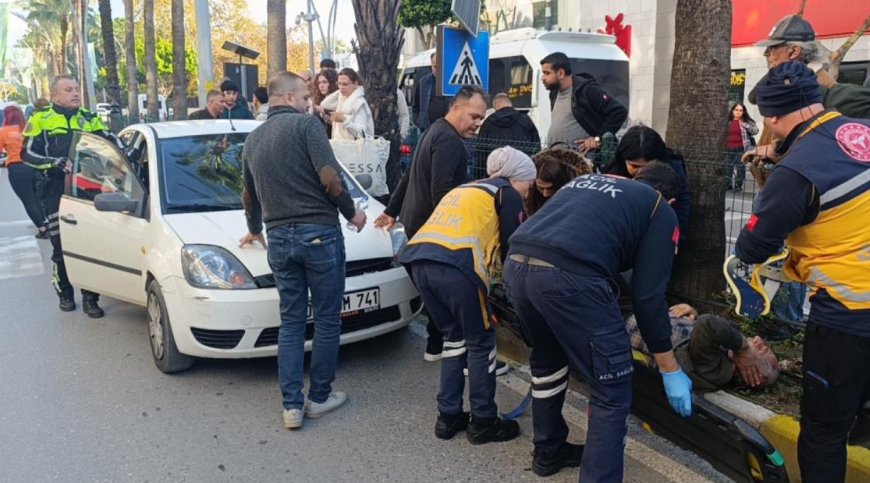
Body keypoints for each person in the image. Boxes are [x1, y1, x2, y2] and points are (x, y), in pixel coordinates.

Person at [504, 163, 693, 480]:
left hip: (517, 262)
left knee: (548, 362)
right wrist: (669, 367)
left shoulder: (590, 182)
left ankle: (548, 451)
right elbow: (648, 297)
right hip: (567, 276)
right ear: (672, 200)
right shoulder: (661, 210)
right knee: (611, 387)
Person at [734, 61, 870, 483]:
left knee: (824, 431)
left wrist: (776, 176)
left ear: (774, 117)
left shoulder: (795, 175)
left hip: (850, 315)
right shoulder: (859, 131)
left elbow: (752, 247)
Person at [239, 71, 366, 430]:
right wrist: (352, 212)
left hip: (278, 237)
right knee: (326, 319)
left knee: (291, 322)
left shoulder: (253, 140)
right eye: (306, 97)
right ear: (292, 98)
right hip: (319, 234)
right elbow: (329, 177)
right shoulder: (307, 127)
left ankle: (291, 407)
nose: (310, 103)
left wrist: (253, 229)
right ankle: (320, 398)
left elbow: (249, 196)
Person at [399, 146, 535, 444]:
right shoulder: (506, 194)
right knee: (481, 342)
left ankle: (447, 417)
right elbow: (514, 248)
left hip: (420, 261)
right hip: (457, 269)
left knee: (454, 339)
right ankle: (484, 420)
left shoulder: (466, 189)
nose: (528, 191)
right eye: (528, 183)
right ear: (517, 177)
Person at [374, 85, 488, 362]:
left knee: (436, 296)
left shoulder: (433, 131)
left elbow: (408, 175)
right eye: (474, 116)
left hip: (418, 225)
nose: (477, 124)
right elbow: (442, 194)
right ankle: (460, 357)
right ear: (456, 109)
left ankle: (435, 346)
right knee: (450, 297)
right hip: (436, 231)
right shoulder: (449, 141)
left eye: (481, 118)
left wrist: (391, 211)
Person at [23, 75, 125, 317]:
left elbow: (109, 140)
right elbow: (26, 154)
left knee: (88, 245)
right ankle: (65, 293)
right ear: (55, 96)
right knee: (60, 247)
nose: (76, 93)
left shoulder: (88, 118)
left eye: (77, 89)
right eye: (69, 90)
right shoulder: (40, 119)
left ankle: (91, 298)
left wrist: (122, 146)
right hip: (53, 189)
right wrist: (53, 162)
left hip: (86, 189)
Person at [626, 303, 779, 391]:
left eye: (761, 349)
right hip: (641, 307)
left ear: (756, 375)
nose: (758, 340)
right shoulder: (720, 357)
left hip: (624, 315)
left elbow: (707, 324)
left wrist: (743, 348)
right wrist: (692, 313)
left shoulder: (717, 371)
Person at [603, 125, 692, 242]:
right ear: (622, 160)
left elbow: (681, 213)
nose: (642, 173)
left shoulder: (673, 174)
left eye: (649, 167)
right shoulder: (612, 174)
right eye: (634, 166)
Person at [540, 52, 627, 150]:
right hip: (558, 157)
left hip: (583, 160)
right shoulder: (554, 92)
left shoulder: (587, 90)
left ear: (561, 73)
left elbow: (619, 112)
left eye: (547, 73)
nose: (542, 78)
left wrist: (598, 139)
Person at [2, 105, 47, 238]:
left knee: (28, 201)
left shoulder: (3, 132)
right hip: (33, 165)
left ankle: (42, 228)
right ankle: (46, 223)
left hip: (17, 169)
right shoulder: (28, 128)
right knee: (37, 198)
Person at [476, 93, 541, 168]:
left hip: (494, 171)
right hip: (521, 170)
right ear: (510, 104)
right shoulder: (525, 120)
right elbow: (536, 147)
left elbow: (480, 151)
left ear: (496, 105)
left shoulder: (488, 123)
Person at [526, 147, 592, 216]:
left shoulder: (579, 198)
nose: (545, 194)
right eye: (541, 188)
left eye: (550, 188)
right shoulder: (530, 194)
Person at [319, 68, 374, 140]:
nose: (341, 87)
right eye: (339, 84)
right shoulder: (342, 99)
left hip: (353, 149)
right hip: (340, 146)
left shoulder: (359, 103)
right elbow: (325, 104)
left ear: (355, 84)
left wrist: (344, 120)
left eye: (345, 84)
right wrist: (341, 91)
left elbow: (361, 133)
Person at [725, 102, 758, 192]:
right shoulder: (728, 122)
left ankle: (738, 185)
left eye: (741, 110)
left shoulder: (746, 122)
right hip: (729, 148)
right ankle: (727, 185)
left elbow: (755, 131)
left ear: (744, 112)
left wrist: (745, 125)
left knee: (740, 168)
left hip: (741, 148)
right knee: (728, 167)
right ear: (732, 111)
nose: (738, 112)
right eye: (736, 110)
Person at [413, 53, 450, 132]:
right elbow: (416, 106)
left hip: (446, 130)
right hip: (426, 130)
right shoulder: (423, 82)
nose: (438, 69)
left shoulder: (451, 84)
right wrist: (419, 122)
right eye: (435, 66)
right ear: (431, 66)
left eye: (441, 66)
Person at [313, 69, 339, 136]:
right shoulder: (319, 100)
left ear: (332, 83)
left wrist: (324, 113)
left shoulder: (338, 100)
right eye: (319, 83)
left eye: (324, 82)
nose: (321, 86)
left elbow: (339, 125)